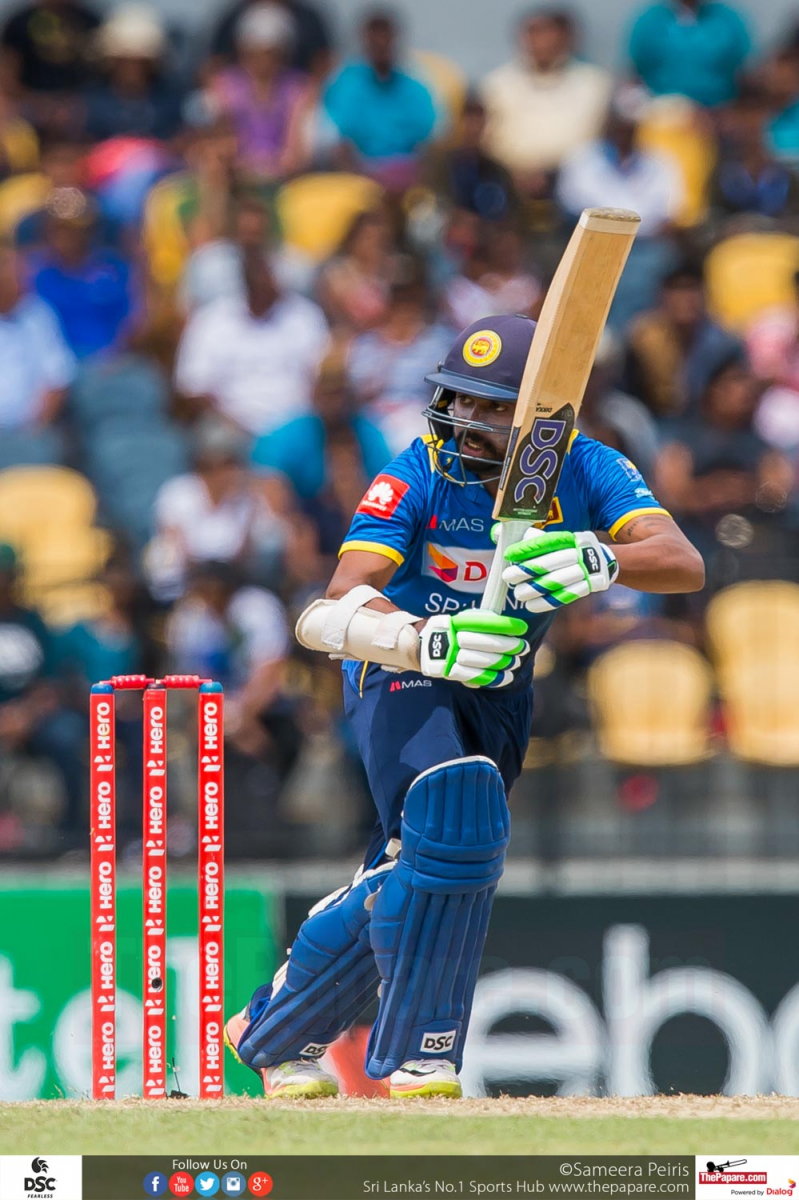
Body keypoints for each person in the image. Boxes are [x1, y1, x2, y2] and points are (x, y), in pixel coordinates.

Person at [223, 313, 704, 1099]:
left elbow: (681, 562)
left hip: (502, 688)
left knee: (421, 864)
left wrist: (601, 557)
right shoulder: (415, 471)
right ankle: (422, 1057)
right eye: (457, 398)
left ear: (536, 415)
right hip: (401, 668)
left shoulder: (588, 467)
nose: (465, 419)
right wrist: (424, 640)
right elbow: (337, 601)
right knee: (452, 824)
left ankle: (273, 1026)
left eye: (489, 406)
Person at [174, 246, 329, 435]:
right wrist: (231, 424)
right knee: (214, 438)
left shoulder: (304, 316)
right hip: (230, 427)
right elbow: (193, 386)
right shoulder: (212, 321)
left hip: (296, 425)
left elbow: (323, 377)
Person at [480, 8, 612, 192]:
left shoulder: (594, 84)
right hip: (507, 183)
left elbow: (596, 142)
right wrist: (518, 171)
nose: (541, 41)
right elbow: (488, 141)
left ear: (565, 37)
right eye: (534, 32)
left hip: (576, 186)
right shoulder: (497, 85)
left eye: (548, 33)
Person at [322, 9, 437, 190]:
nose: (381, 45)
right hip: (360, 177)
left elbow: (430, 142)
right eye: (375, 41)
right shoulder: (344, 85)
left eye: (386, 39)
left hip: (408, 178)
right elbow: (336, 141)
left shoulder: (416, 88)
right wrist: (361, 179)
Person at [207, 2, 315, 180]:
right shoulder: (225, 86)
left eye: (269, 53)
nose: (262, 61)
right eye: (255, 53)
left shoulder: (298, 89)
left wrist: (266, 170)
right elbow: (221, 142)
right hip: (236, 178)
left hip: (283, 180)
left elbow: (296, 155)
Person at [27, 186, 136, 359]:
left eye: (73, 230)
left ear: (89, 231)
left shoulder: (113, 270)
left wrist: (115, 353)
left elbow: (132, 318)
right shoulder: (34, 274)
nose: (66, 238)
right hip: (58, 362)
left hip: (112, 360)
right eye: (59, 230)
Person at [625, 264, 744, 417]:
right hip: (650, 418)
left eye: (691, 290)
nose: (685, 300)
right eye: (677, 291)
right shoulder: (642, 337)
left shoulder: (723, 342)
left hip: (704, 420)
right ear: (662, 297)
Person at [81, 4, 184, 143]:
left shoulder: (169, 103)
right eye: (124, 62)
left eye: (139, 62)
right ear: (112, 63)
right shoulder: (92, 104)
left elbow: (178, 141)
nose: (132, 69)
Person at [0, 241, 75, 432]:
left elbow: (57, 379)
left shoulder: (38, 314)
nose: (22, 280)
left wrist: (36, 429)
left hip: (28, 432)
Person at [628, 0, 750, 109]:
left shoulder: (727, 20)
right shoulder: (649, 21)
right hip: (661, 115)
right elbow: (633, 77)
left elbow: (745, 77)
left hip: (719, 114)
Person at [315, 209, 395, 334]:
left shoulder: (394, 272)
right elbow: (339, 317)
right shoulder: (337, 274)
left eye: (380, 239)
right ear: (353, 239)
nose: (373, 244)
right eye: (368, 238)